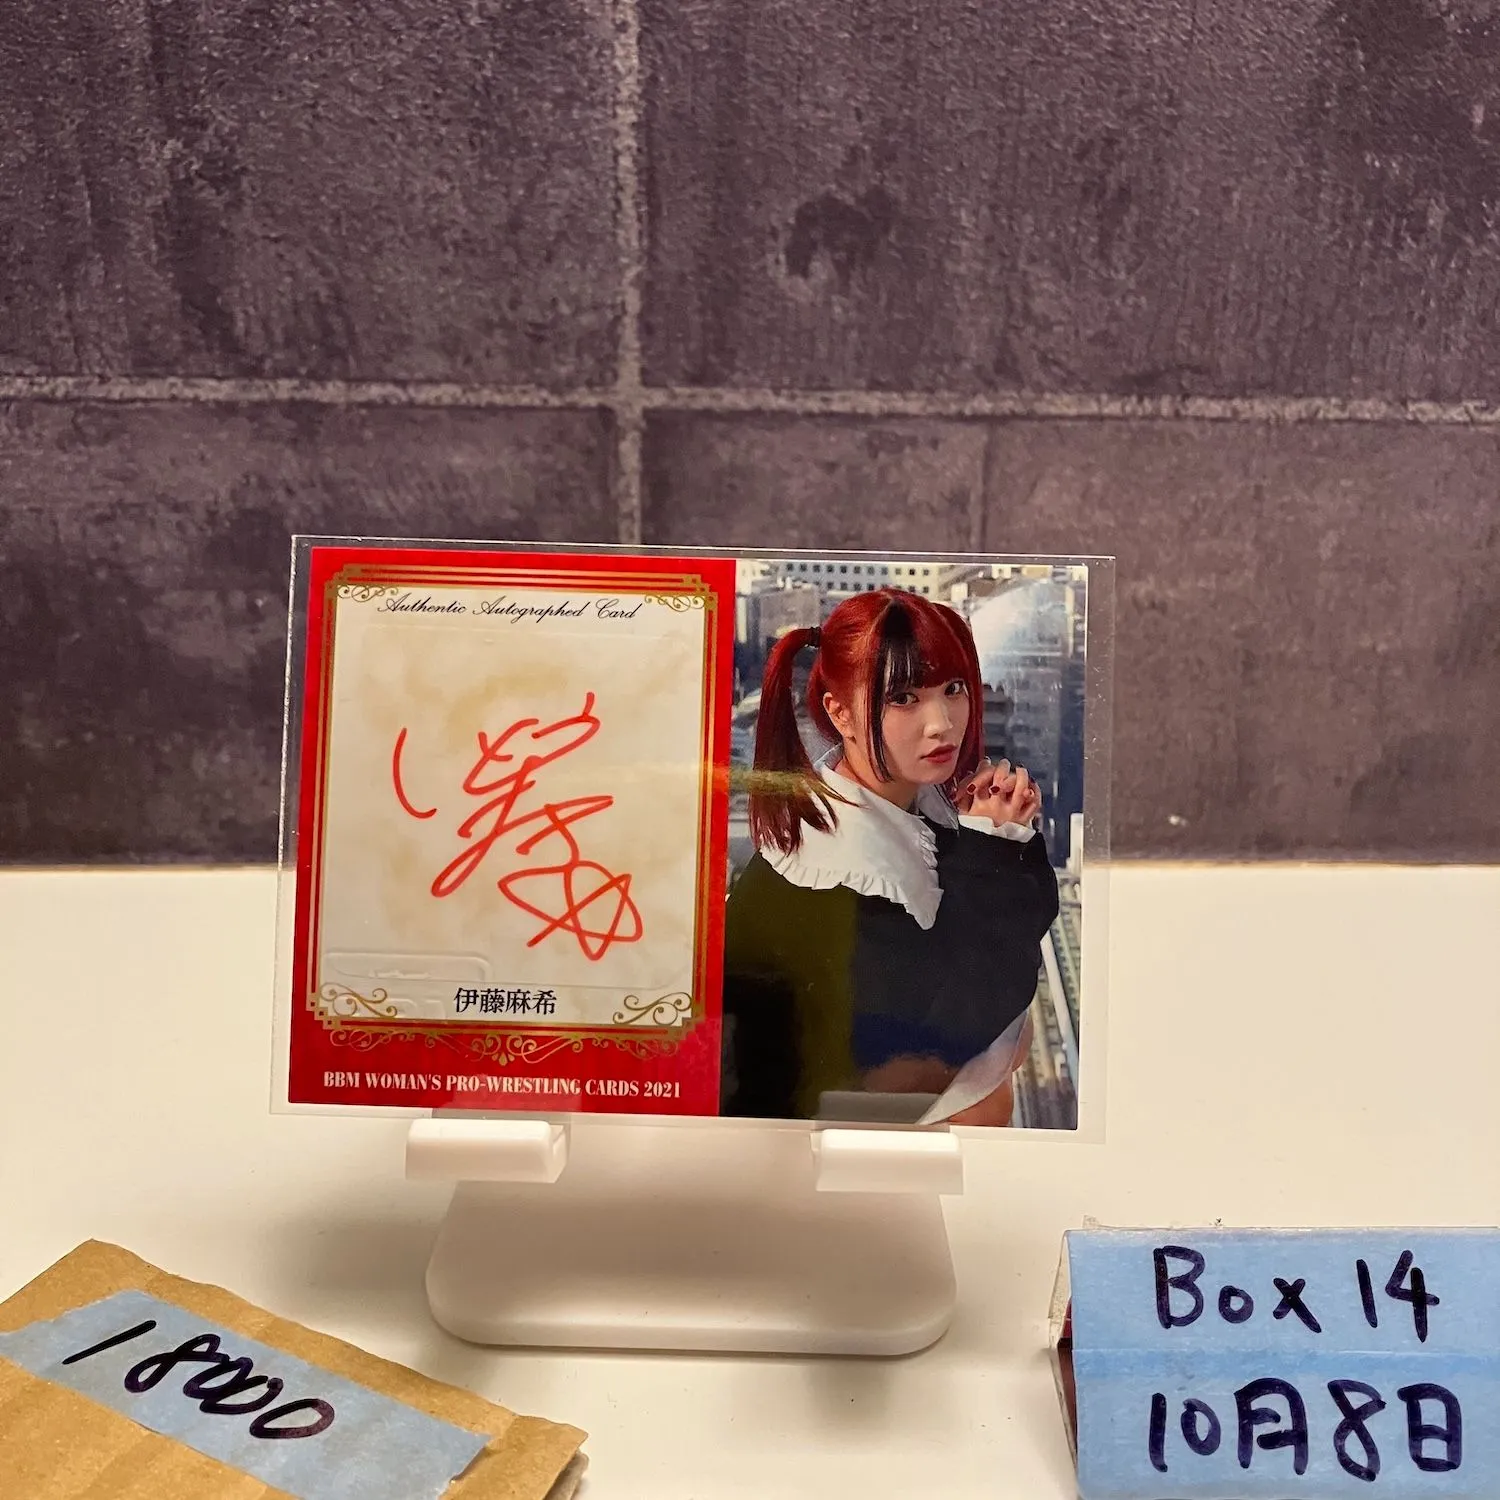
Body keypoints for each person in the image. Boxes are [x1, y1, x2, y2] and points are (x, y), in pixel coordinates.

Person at [721, 587, 1060, 1126]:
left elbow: (1009, 960)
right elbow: (961, 1024)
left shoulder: (908, 806)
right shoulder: (830, 874)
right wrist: (991, 847)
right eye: (903, 698)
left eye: (953, 689)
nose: (942, 722)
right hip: (813, 1155)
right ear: (840, 713)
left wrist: (995, 837)